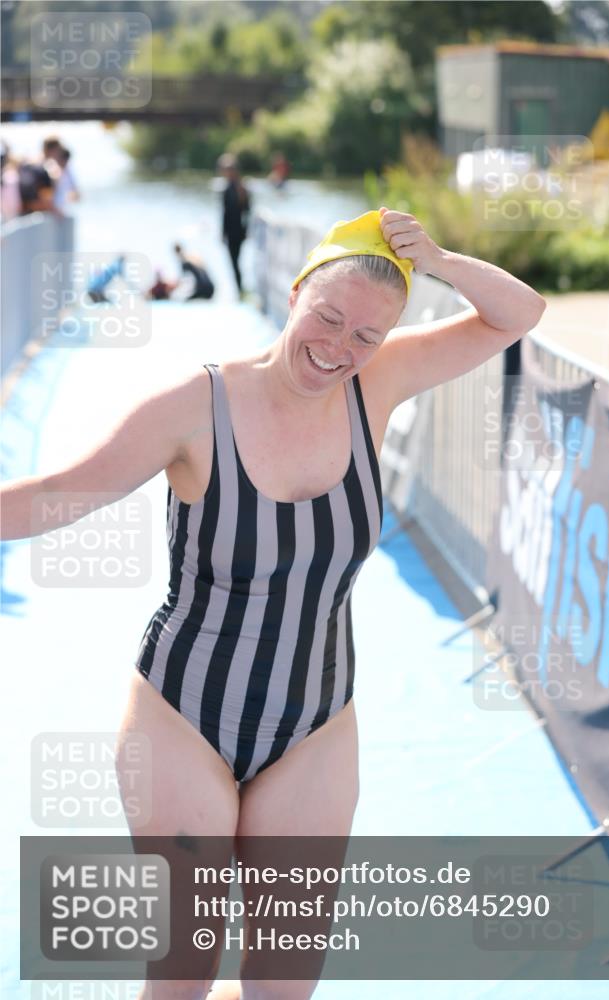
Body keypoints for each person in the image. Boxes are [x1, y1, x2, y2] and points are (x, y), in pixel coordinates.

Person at [0, 207, 546, 999]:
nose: (339, 347)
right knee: (183, 974)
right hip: (183, 714)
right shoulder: (195, 408)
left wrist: (438, 260)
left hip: (314, 726)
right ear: (293, 294)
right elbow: (59, 493)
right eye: (326, 318)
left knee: (283, 983)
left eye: (366, 334)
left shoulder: (377, 382)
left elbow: (517, 314)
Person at [217, 152, 251, 296]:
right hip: (234, 231)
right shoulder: (233, 188)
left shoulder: (239, 189)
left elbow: (246, 212)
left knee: (235, 262)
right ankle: (240, 290)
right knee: (235, 262)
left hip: (236, 232)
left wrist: (245, 230)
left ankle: (240, 290)